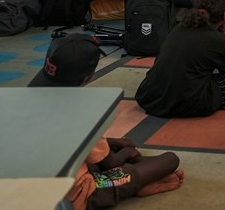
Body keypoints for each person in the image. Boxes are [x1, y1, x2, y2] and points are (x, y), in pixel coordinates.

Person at [29, 33, 182, 210]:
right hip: (80, 194)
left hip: (37, 185)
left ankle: (137, 181)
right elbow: (110, 163)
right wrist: (127, 152)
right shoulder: (80, 113)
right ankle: (134, 186)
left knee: (113, 153)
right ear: (88, 76)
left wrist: (113, 142)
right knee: (169, 160)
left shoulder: (29, 93)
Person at [135, 0, 225, 117]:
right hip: (186, 103)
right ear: (224, 15)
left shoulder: (178, 27)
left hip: (151, 97)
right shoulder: (221, 40)